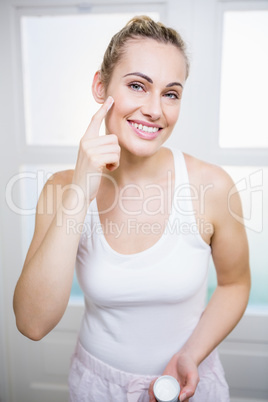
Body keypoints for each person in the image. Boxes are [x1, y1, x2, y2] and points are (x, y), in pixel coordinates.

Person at [13, 16, 251, 402]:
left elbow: (235, 283)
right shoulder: (61, 188)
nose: (155, 109)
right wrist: (79, 192)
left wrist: (191, 354)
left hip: (188, 385)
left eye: (171, 93)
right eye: (137, 86)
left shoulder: (212, 187)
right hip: (97, 388)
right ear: (100, 86)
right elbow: (32, 323)